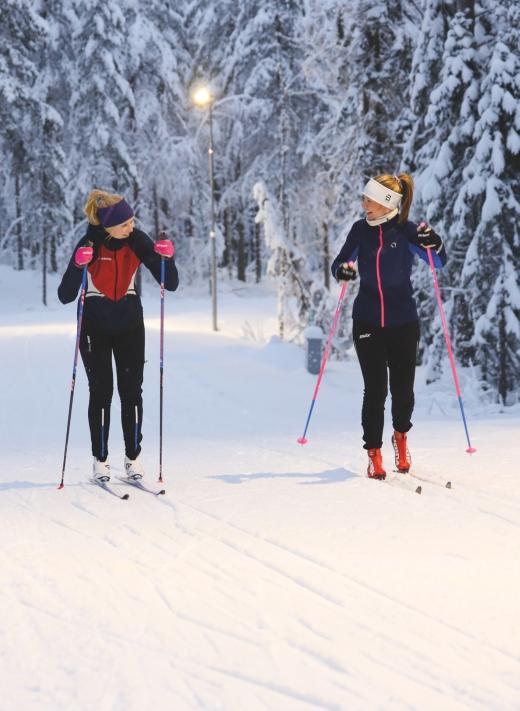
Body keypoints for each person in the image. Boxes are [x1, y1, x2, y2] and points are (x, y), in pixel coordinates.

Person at [331, 173, 447, 479]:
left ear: (386, 203)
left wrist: (436, 243)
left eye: (369, 199)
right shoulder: (360, 230)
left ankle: (400, 437)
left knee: (403, 391)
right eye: (364, 198)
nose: (364, 204)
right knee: (376, 390)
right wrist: (342, 271)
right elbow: (340, 262)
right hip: (367, 320)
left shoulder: (407, 231)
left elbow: (437, 262)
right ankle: (374, 453)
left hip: (403, 322)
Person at [58, 189, 179, 482]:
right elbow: (65, 295)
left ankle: (132, 458)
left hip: (130, 327)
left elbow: (170, 283)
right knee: (101, 392)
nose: (131, 227)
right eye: (125, 223)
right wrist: (77, 264)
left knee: (131, 392)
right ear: (108, 225)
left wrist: (167, 259)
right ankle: (100, 460)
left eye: (132, 221)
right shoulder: (89, 243)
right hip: (94, 328)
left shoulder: (137, 241)